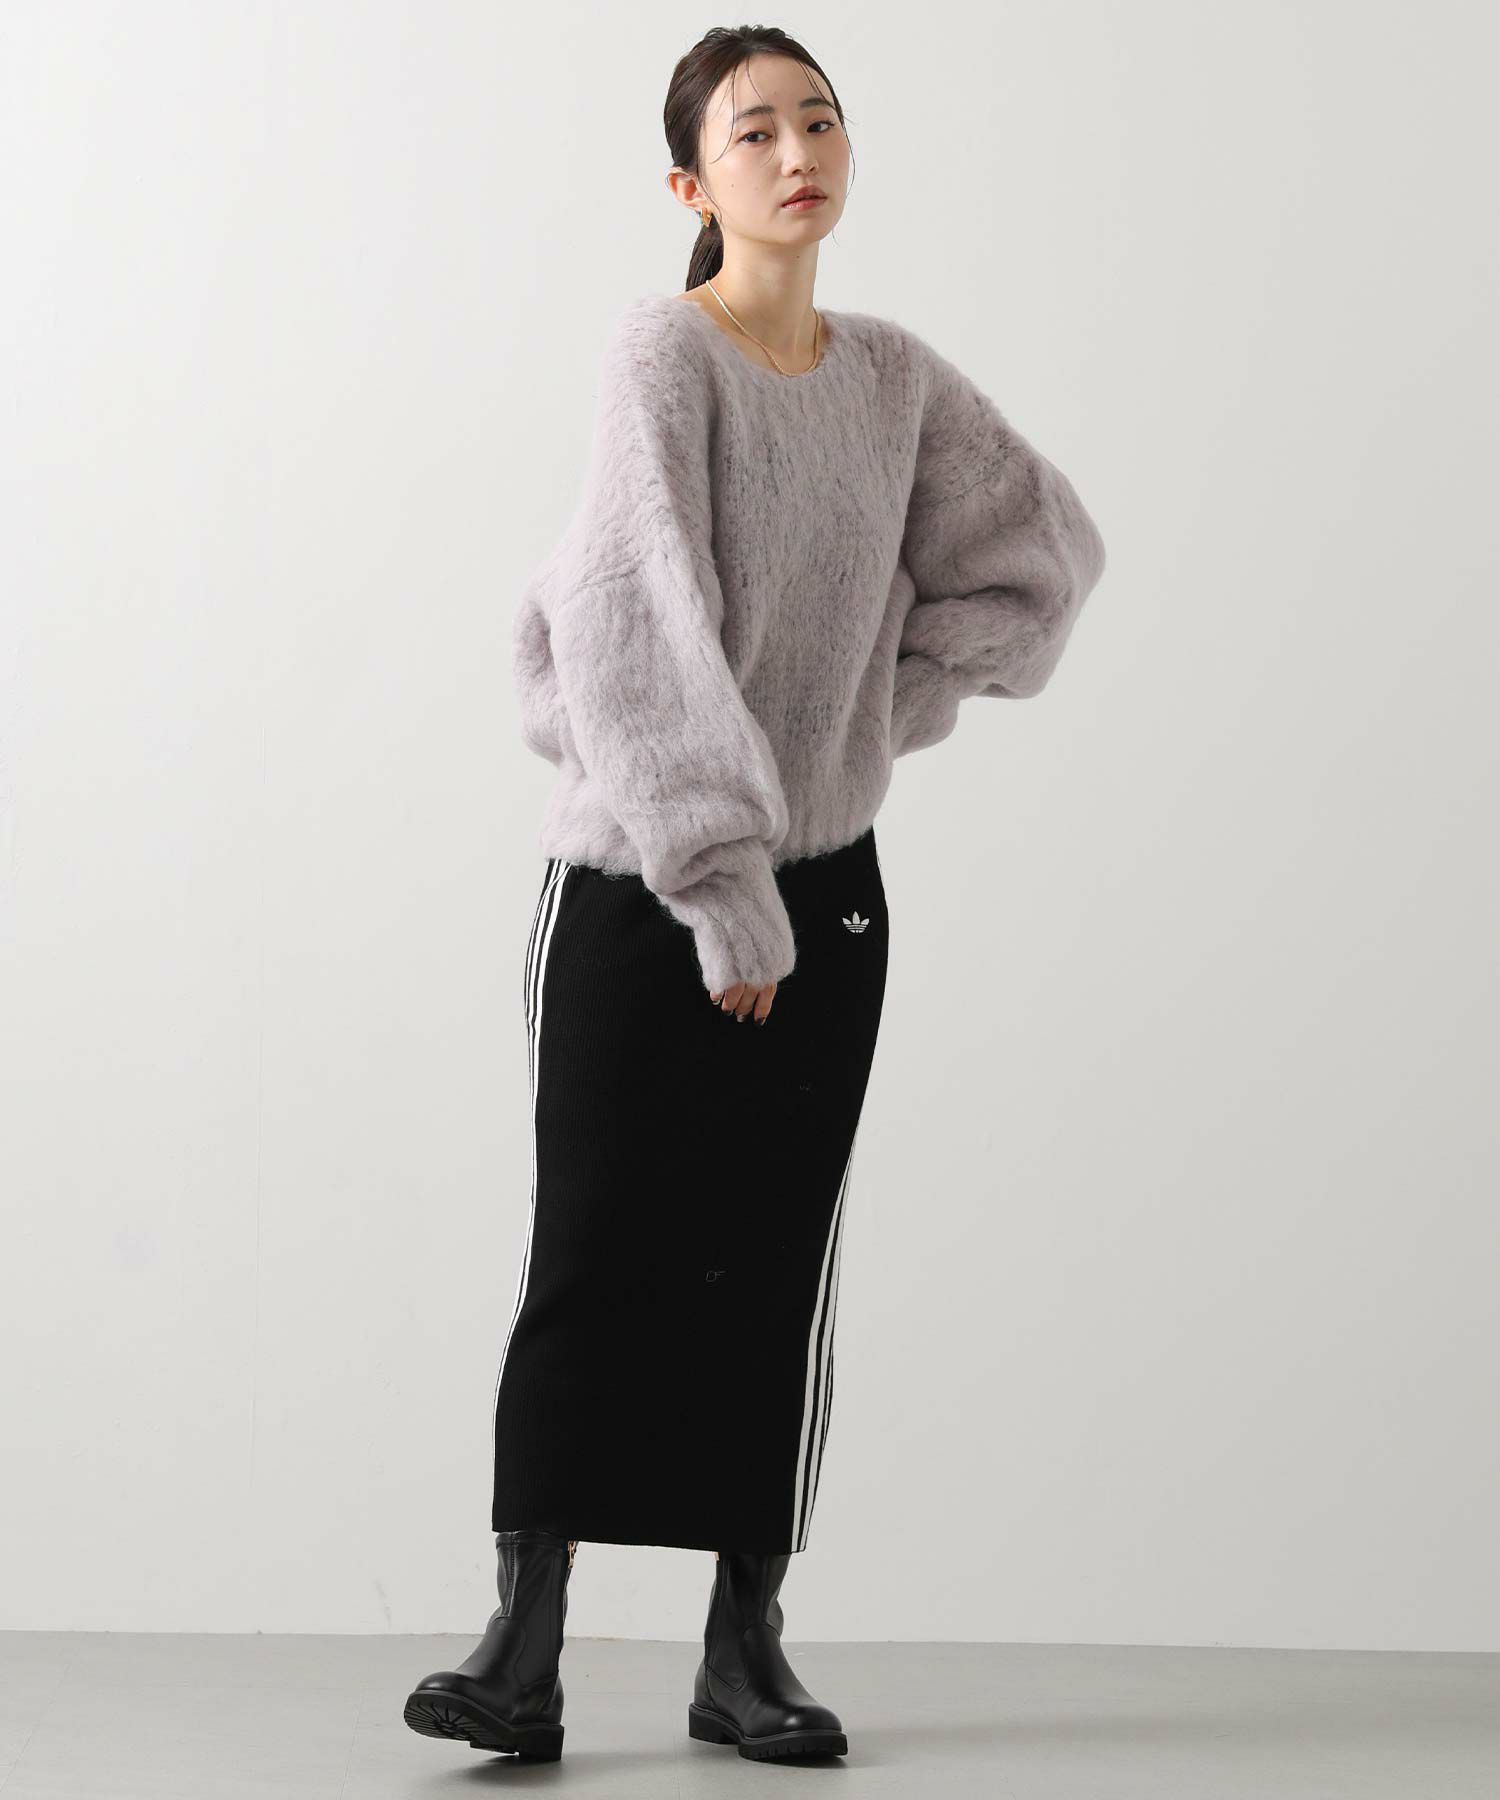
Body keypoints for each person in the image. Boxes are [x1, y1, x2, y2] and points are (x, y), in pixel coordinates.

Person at [404, 22, 1107, 1767]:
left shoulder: (897, 381)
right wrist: (721, 882)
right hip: (642, 885)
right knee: (594, 1250)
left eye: (819, 122)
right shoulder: (664, 354)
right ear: (690, 183)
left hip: (832, 887)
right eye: (754, 132)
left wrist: (884, 707)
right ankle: (524, 1641)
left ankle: (745, 1649)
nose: (796, 153)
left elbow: (1042, 561)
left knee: (773, 1263)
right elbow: (631, 621)